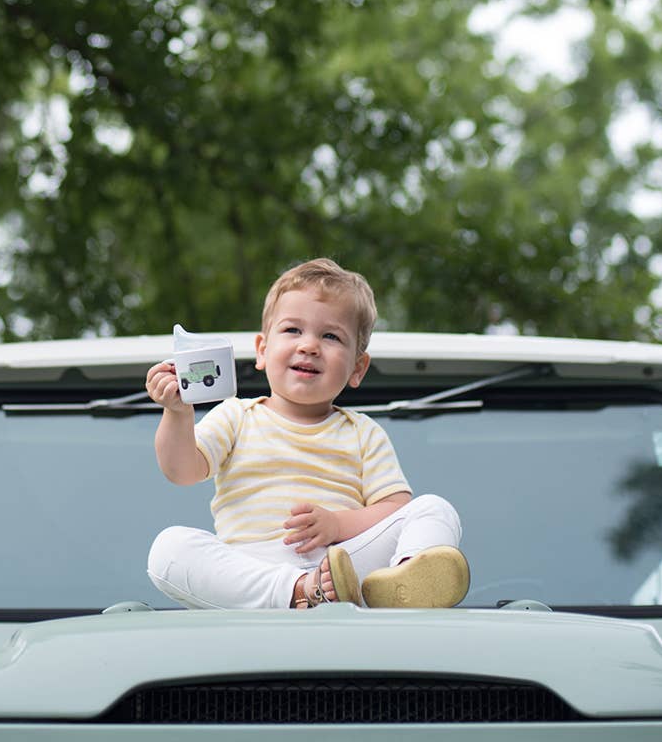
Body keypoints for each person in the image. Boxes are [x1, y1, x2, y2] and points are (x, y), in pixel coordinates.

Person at [145, 258, 469, 611]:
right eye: (292, 331)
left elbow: (394, 508)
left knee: (435, 509)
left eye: (330, 336)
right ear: (262, 350)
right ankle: (299, 590)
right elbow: (181, 470)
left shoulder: (362, 432)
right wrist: (177, 413)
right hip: (252, 572)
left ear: (357, 368)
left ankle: (405, 583)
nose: (309, 346)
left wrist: (337, 525)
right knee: (169, 549)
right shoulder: (236, 415)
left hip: (343, 567)